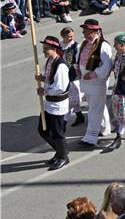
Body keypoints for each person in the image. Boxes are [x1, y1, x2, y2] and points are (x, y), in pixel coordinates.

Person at [36, 36, 71, 170]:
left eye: (46, 49)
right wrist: (42, 78)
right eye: (44, 48)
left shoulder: (61, 65)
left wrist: (45, 92)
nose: (44, 51)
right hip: (49, 104)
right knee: (43, 130)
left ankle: (63, 157)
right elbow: (51, 79)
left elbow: (60, 87)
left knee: (57, 133)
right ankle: (61, 151)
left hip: (57, 104)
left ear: (54, 49)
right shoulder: (50, 61)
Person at [77, 19, 113, 148]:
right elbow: (79, 58)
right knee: (97, 106)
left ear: (93, 31)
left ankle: (91, 136)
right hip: (85, 81)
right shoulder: (84, 43)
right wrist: (77, 68)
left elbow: (107, 65)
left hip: (96, 82)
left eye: (85, 30)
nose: (83, 32)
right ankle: (105, 128)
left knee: (94, 109)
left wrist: (92, 74)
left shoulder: (103, 45)